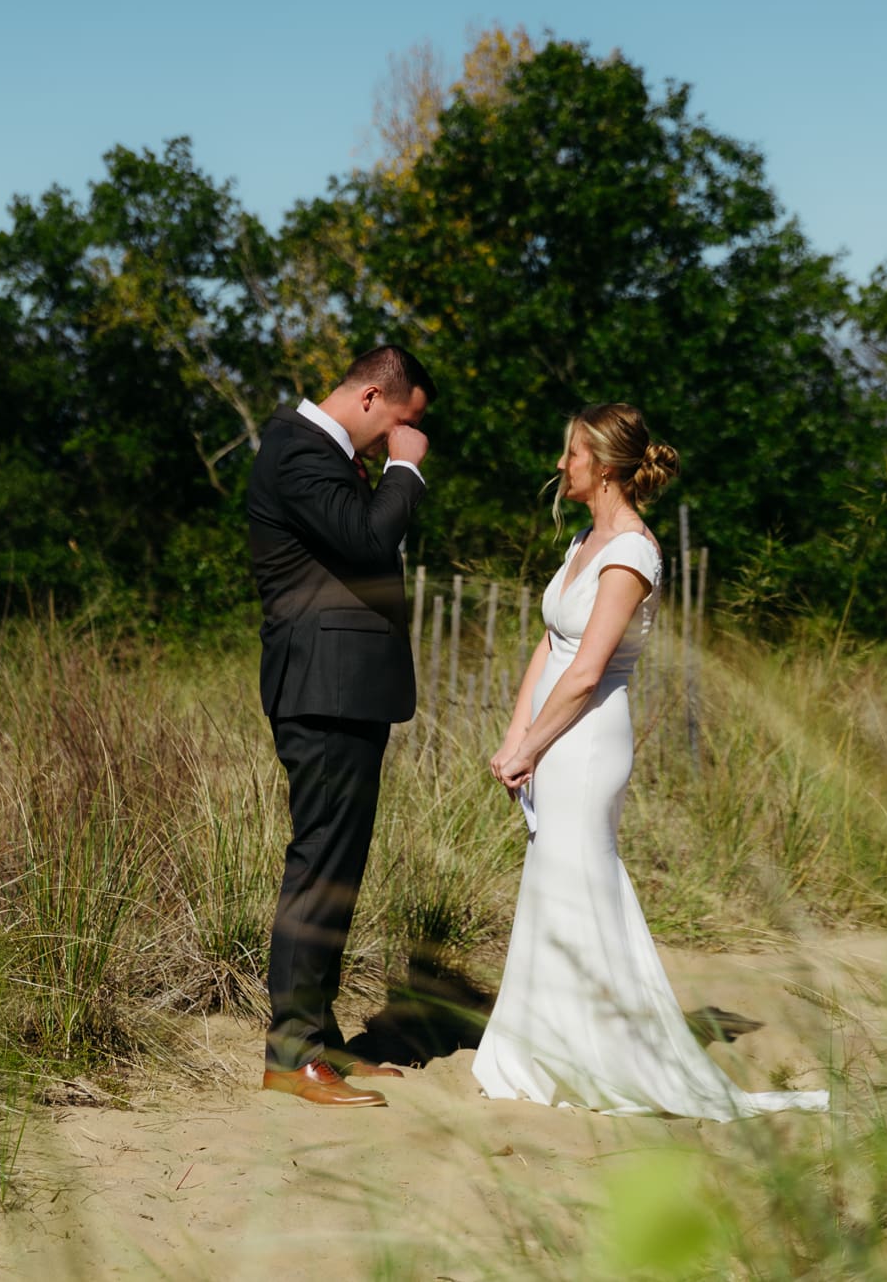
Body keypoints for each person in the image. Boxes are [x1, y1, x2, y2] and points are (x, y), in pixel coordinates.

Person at [475, 403, 829, 1119]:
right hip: (550, 735)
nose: (560, 465)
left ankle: (600, 1055)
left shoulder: (632, 551)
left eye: (571, 453)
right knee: (554, 886)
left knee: (580, 881)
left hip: (586, 740)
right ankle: (548, 1044)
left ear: (604, 466)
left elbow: (585, 671)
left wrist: (535, 746)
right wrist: (513, 738)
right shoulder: (583, 538)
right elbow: (550, 645)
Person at [246, 345, 435, 1108]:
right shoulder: (296, 449)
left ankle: (319, 1038)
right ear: (369, 400)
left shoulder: (323, 453)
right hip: (320, 694)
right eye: (401, 421)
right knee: (318, 866)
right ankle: (290, 1055)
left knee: (339, 869)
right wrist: (407, 470)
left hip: (348, 693)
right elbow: (364, 539)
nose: (403, 436)